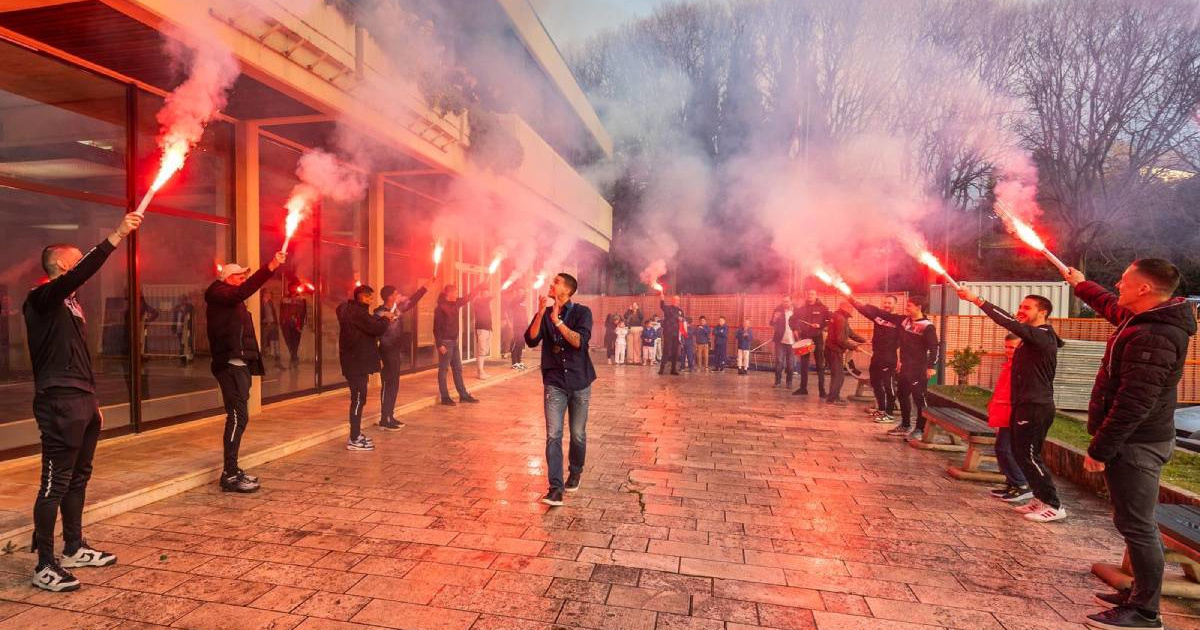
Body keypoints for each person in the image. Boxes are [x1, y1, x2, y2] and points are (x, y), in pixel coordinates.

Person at [1065, 260, 1194, 630]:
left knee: (1138, 527)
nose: (1118, 284)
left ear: (1144, 289)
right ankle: (1137, 594)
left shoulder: (1156, 335)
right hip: (1136, 441)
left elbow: (1134, 403)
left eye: (1124, 280)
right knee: (1131, 523)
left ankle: (1145, 612)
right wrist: (1081, 284)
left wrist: (1100, 449)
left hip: (1138, 445)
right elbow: (1110, 304)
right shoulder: (1143, 319)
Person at [24, 211, 141, 592]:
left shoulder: (72, 305)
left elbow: (77, 355)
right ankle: (44, 564)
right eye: (77, 260)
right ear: (62, 265)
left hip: (82, 399)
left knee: (78, 477)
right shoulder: (41, 298)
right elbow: (80, 273)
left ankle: (73, 547)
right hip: (58, 400)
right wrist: (116, 235)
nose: (82, 268)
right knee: (54, 483)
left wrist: (93, 399)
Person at [958, 286, 1066, 523]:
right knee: (1020, 453)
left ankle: (1053, 504)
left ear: (1043, 312)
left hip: (1036, 406)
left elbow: (1009, 322)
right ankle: (1039, 498)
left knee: (1029, 455)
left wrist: (977, 300)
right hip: (1023, 404)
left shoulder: (1042, 336)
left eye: (1027, 307)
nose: (1021, 311)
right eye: (1020, 307)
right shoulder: (1031, 339)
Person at [206, 250, 287, 494]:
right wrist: (270, 266)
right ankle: (229, 474)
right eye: (239, 276)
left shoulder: (231, 300)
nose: (243, 280)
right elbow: (242, 291)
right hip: (229, 366)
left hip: (240, 366)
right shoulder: (218, 293)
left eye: (244, 276)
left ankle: (233, 469)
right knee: (237, 417)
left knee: (240, 417)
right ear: (227, 278)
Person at [525, 273, 596, 507]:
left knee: (577, 433)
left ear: (567, 290)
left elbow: (579, 342)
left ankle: (575, 471)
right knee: (553, 434)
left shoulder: (582, 313)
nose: (551, 284)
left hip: (580, 381)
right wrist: (540, 314)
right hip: (554, 381)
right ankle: (555, 488)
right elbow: (531, 340)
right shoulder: (545, 313)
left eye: (556, 282)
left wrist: (557, 321)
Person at [849, 295, 938, 438]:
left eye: (909, 305)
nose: (906, 307)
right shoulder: (904, 321)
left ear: (918, 308)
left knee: (919, 399)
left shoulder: (927, 326)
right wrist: (862, 304)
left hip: (918, 369)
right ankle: (905, 425)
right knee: (902, 395)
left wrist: (931, 366)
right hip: (905, 368)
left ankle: (920, 429)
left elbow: (934, 347)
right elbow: (882, 314)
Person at [337, 285, 395, 451]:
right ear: (362, 297)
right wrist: (386, 319)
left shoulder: (353, 311)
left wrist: (381, 318)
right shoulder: (358, 312)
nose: (371, 300)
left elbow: (369, 324)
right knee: (358, 399)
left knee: (359, 398)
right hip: (356, 362)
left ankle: (356, 433)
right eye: (369, 297)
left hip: (356, 362)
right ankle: (354, 438)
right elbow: (376, 328)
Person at [373, 281, 431, 431]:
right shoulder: (379, 313)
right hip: (386, 352)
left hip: (395, 351)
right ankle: (384, 419)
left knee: (394, 384)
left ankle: (390, 415)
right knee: (388, 384)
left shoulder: (397, 310)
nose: (398, 295)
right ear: (389, 297)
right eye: (395, 294)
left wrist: (425, 287)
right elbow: (375, 331)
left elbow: (412, 301)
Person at [987, 334, 1032, 504]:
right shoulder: (1011, 365)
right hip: (1005, 414)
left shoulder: (1022, 367)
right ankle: (1013, 483)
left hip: (1013, 414)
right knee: (1005, 449)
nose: (1007, 351)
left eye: (1012, 347)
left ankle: (1021, 484)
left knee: (1004, 449)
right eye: (1006, 347)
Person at [434, 283, 484, 405]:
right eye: (455, 293)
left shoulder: (455, 303)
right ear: (449, 293)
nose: (456, 295)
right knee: (443, 370)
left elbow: (468, 297)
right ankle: (445, 397)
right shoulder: (440, 308)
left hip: (454, 342)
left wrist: (479, 287)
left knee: (458, 369)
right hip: (445, 343)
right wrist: (439, 344)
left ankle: (463, 395)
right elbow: (436, 328)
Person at [862, 295, 900, 423]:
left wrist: (900, 359)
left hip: (889, 357)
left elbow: (903, 342)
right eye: (885, 302)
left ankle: (889, 414)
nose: (887, 305)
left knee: (889, 386)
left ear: (895, 305)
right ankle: (882, 410)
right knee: (875, 383)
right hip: (876, 356)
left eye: (889, 303)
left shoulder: (898, 320)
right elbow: (863, 310)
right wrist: (850, 298)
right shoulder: (878, 317)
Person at [825, 300, 866, 405]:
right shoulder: (840, 319)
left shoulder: (840, 317)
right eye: (851, 307)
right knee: (838, 376)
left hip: (832, 349)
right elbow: (840, 340)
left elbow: (850, 332)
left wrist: (864, 341)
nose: (853, 310)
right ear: (845, 307)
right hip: (834, 350)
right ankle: (832, 399)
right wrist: (854, 347)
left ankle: (835, 397)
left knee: (837, 375)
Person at [793, 289, 831, 397]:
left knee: (820, 364)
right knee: (804, 364)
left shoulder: (823, 308)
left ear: (816, 296)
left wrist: (820, 326)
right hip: (805, 338)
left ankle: (822, 391)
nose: (810, 296)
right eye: (808, 294)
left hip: (817, 338)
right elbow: (792, 320)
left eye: (812, 294)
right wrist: (795, 329)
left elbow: (830, 321)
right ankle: (803, 388)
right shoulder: (801, 309)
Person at [770, 295, 798, 388]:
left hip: (792, 341)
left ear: (791, 301)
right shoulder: (778, 310)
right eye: (783, 301)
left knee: (790, 363)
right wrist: (775, 318)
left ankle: (789, 382)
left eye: (787, 301)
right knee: (779, 361)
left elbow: (800, 323)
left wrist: (798, 332)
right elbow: (771, 323)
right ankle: (777, 381)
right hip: (780, 340)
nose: (785, 303)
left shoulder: (796, 311)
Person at [279, 286, 308, 368]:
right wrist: (282, 320)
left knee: (296, 340)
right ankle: (293, 355)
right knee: (289, 340)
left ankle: (294, 355)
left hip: (296, 323)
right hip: (287, 323)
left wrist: (301, 321)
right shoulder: (285, 299)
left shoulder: (301, 299)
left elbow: (303, 311)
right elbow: (282, 310)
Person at [659, 293, 684, 375]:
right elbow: (662, 306)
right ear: (672, 300)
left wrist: (682, 319)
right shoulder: (668, 308)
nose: (677, 301)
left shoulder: (680, 311)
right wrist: (662, 299)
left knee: (675, 352)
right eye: (675, 300)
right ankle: (661, 369)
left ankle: (673, 369)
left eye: (678, 300)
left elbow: (683, 320)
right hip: (668, 333)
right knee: (666, 350)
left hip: (676, 334)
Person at [471, 288, 494, 379]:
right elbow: (485, 300)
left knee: (484, 351)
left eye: (487, 293)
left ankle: (480, 371)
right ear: (481, 294)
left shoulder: (486, 304)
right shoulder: (478, 301)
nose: (487, 295)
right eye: (485, 293)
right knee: (481, 351)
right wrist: (491, 297)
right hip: (481, 329)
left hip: (488, 329)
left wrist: (491, 330)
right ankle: (480, 372)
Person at [505, 288, 528, 370]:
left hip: (523, 326)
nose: (521, 293)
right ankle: (514, 363)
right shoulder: (514, 302)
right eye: (520, 292)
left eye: (522, 292)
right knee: (515, 344)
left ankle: (519, 362)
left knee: (521, 344)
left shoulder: (522, 304)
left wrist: (527, 326)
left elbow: (525, 316)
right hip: (517, 326)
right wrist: (524, 294)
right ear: (517, 293)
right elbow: (519, 299)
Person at [260, 289, 282, 367]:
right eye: (268, 293)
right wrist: (264, 321)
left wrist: (276, 322)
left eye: (270, 294)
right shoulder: (261, 303)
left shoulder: (270, 302)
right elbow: (260, 314)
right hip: (265, 325)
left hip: (273, 324)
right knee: (264, 341)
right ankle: (263, 357)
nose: (270, 295)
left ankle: (276, 357)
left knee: (275, 340)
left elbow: (273, 313)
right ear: (264, 294)